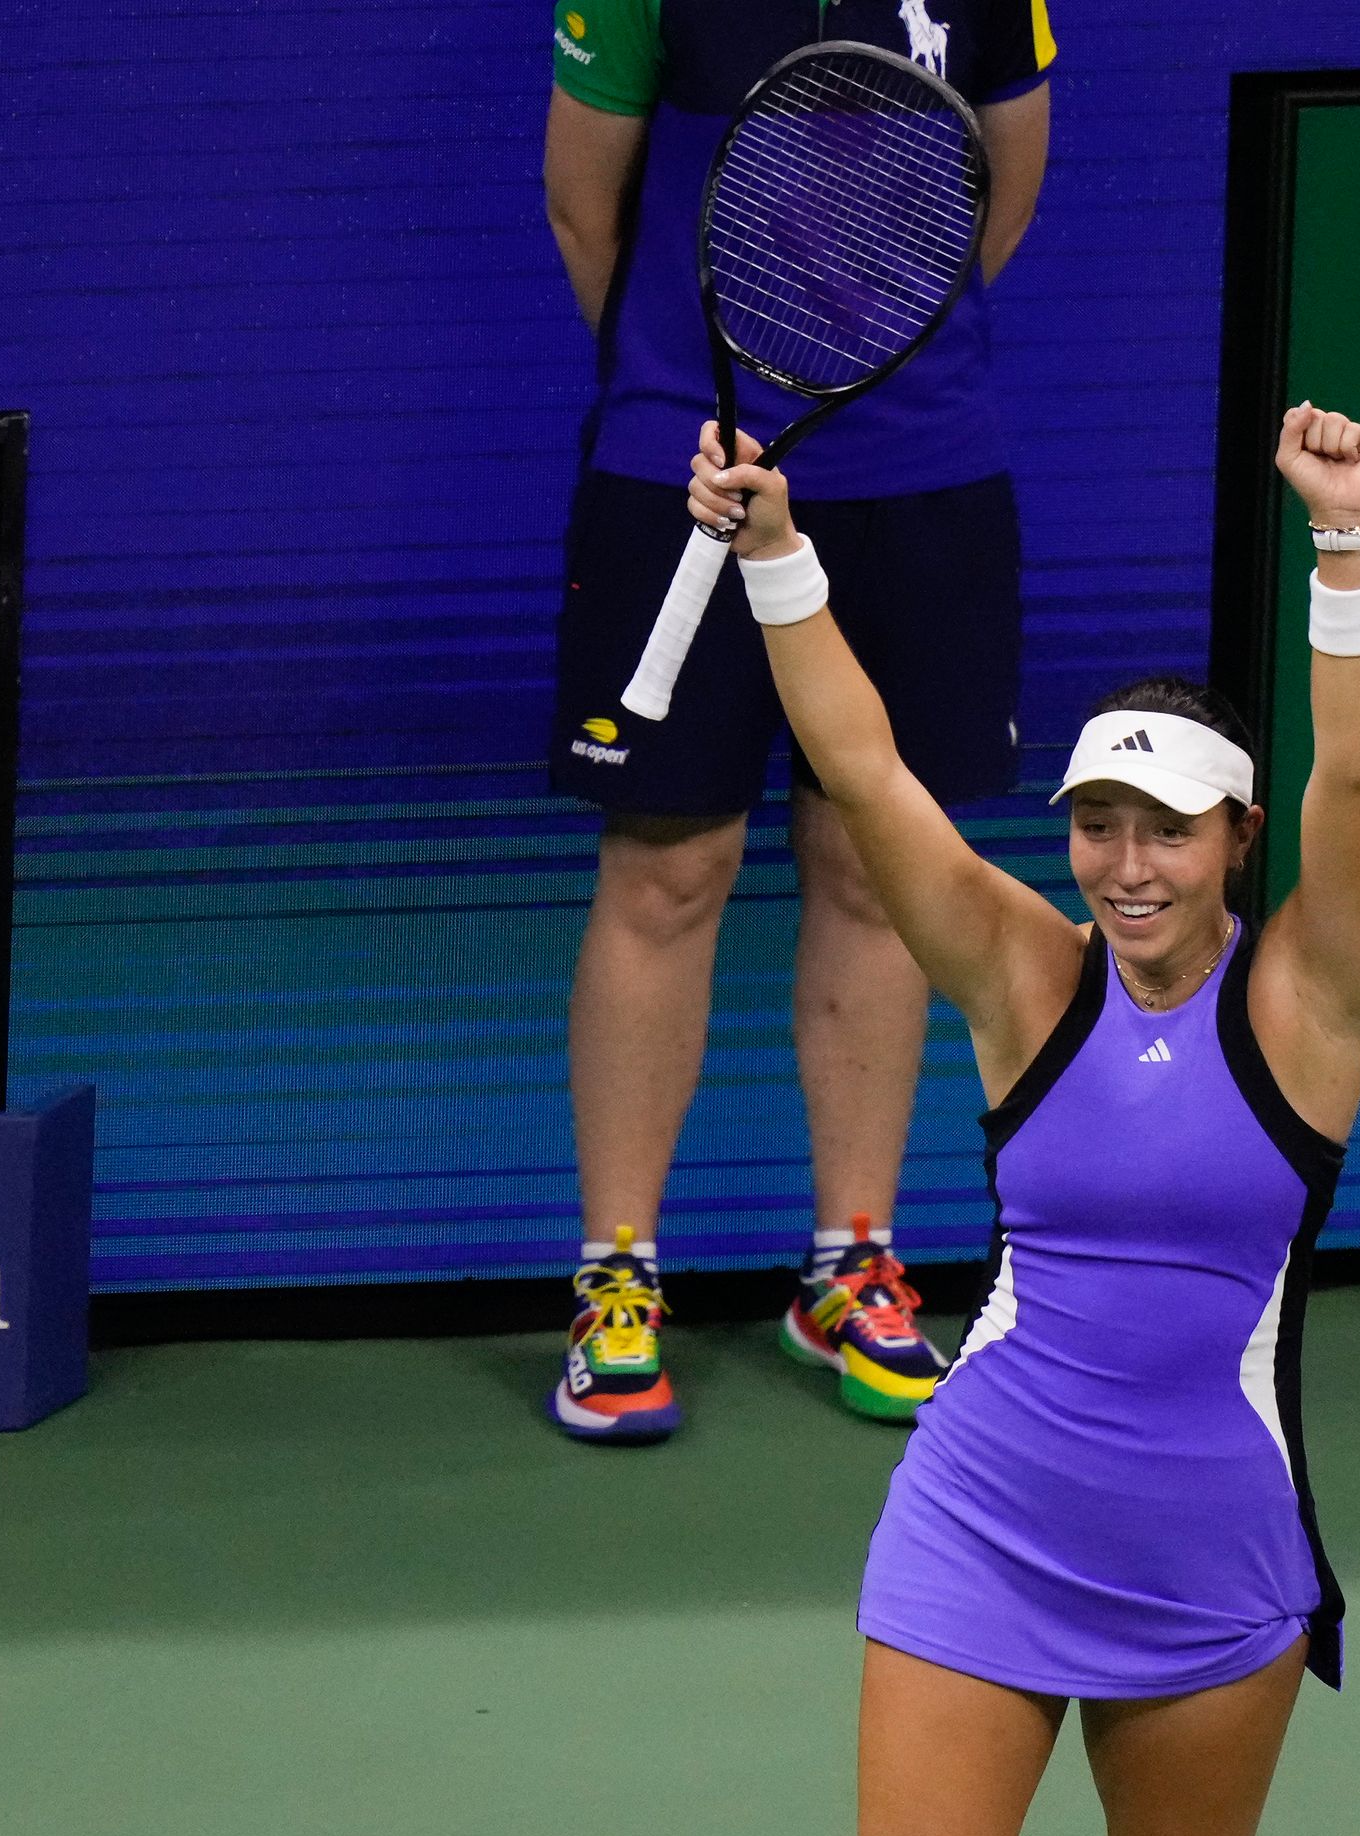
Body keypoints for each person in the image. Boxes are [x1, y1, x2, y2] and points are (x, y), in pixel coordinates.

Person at [679, 400, 1360, 1836]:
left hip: (1212, 1562)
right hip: (985, 1528)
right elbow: (866, 772)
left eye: (1166, 828)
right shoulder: (1024, 980)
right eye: (1099, 823)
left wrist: (1344, 552)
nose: (1128, 863)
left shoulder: (1316, 1000)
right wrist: (774, 555)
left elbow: (1358, 768)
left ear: (1236, 843)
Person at [538, 0, 1056, 1442]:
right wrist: (688, 394)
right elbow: (587, 210)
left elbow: (1000, 193)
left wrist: (858, 371)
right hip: (683, 458)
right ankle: (617, 1276)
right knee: (668, 866)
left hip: (923, 470)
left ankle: (851, 1260)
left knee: (877, 867)